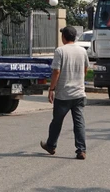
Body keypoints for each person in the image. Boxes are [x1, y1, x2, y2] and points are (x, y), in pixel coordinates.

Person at [40, 26, 88, 160]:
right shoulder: (82, 51)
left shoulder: (60, 51)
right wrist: (80, 81)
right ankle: (81, 150)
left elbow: (56, 71)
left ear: (64, 37)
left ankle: (51, 145)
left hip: (64, 94)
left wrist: (51, 89)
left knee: (57, 121)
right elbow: (85, 69)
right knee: (79, 122)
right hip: (79, 93)